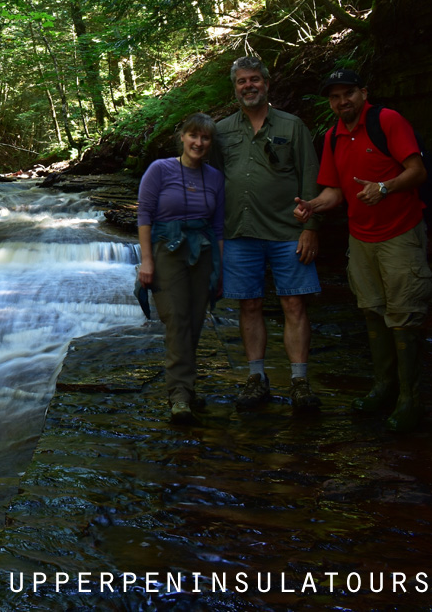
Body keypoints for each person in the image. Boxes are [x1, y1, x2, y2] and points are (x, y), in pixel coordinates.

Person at [293, 68, 432, 433]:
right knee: (372, 310)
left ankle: (410, 400)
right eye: (335, 97)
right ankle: (384, 387)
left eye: (348, 94)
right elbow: (334, 192)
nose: (342, 102)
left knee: (404, 316)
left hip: (400, 234)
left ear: (363, 93)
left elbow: (417, 171)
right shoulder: (332, 138)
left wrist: (384, 188)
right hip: (361, 238)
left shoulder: (386, 121)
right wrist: (312, 206)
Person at [211, 56, 324, 413]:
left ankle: (299, 381)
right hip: (239, 232)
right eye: (242, 81)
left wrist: (311, 228)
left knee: (294, 303)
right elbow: (212, 183)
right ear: (235, 87)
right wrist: (217, 237)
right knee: (249, 304)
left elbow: (311, 177)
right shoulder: (222, 130)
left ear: (267, 83)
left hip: (288, 231)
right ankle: (256, 377)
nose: (249, 86)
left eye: (255, 79)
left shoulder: (292, 127)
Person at [137, 113, 225, 425]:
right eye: (193, 136)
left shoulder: (214, 177)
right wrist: (146, 261)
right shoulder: (160, 170)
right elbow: (145, 216)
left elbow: (218, 227)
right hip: (167, 250)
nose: (199, 143)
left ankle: (186, 386)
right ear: (183, 138)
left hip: (202, 252)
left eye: (205, 138)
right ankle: (179, 396)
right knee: (177, 319)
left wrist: (219, 267)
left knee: (196, 320)